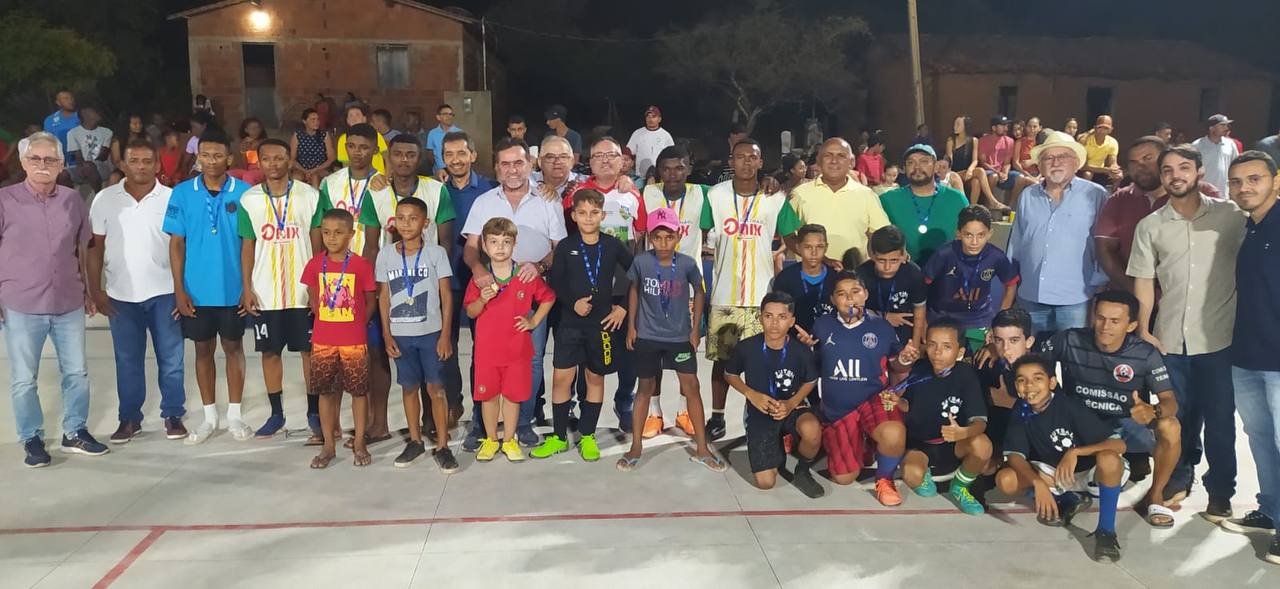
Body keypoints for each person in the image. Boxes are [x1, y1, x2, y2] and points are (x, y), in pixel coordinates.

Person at [1128, 144, 1246, 524]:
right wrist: (1144, 328)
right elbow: (1144, 281)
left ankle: (1221, 491)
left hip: (1220, 339)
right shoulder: (1151, 226)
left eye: (1183, 167)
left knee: (1220, 419)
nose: (1175, 175)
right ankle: (1178, 477)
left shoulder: (1232, 217)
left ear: (1199, 172)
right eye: (1167, 170)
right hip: (1169, 340)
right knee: (1174, 418)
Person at [1037, 290, 1181, 528]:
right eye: (1101, 318)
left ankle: (1155, 495)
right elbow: (1030, 362)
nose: (1105, 326)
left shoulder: (1145, 353)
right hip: (1080, 426)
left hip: (1126, 425)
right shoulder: (1069, 339)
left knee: (1171, 426)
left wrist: (1153, 411)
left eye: (1115, 321)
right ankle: (1073, 487)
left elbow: (1170, 401)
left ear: (1132, 325)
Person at [2, 132, 105, 467]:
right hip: (21, 303)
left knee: (76, 372)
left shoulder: (72, 200)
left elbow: (81, 247)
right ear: (23, 162)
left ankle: (74, 431)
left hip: (68, 301)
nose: (42, 165)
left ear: (61, 164)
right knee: (23, 379)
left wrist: (89, 290)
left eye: (50, 160)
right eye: (35, 159)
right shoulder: (5, 200)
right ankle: (31, 438)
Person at [460, 137, 567, 449]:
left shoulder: (547, 201)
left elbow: (559, 246)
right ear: (496, 168)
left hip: (529, 296)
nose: (512, 169)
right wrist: (478, 270)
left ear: (530, 165)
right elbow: (470, 248)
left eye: (518, 162)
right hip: (492, 298)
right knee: (484, 360)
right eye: (505, 163)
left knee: (530, 361)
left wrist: (542, 267)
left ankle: (524, 422)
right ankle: (481, 423)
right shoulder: (484, 202)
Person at [88, 138, 187, 443]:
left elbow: (182, 247)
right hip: (121, 295)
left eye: (147, 161)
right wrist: (96, 290)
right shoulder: (105, 199)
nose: (141, 167)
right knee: (128, 360)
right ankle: (129, 419)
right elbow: (94, 248)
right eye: (134, 161)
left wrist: (182, 292)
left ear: (158, 165)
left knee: (171, 360)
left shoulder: (172, 198)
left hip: (165, 293)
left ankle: (173, 415)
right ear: (123, 164)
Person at [704, 139, 802, 440]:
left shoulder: (775, 197)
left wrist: (819, 260)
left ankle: (764, 416)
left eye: (753, 157)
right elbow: (700, 236)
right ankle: (717, 417)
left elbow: (793, 238)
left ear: (761, 162)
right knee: (722, 362)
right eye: (740, 157)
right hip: (725, 296)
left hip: (763, 299)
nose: (746, 162)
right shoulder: (716, 195)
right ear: (731, 161)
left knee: (767, 362)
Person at [364, 133, 458, 439]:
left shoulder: (435, 190)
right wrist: (369, 293)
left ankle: (435, 422)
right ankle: (382, 423)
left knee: (436, 367)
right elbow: (370, 245)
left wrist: (444, 289)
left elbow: (445, 241)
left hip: (428, 293)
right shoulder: (375, 192)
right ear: (388, 157)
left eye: (411, 155)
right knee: (387, 356)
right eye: (398, 154)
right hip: (391, 288)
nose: (404, 160)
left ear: (420, 159)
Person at [163, 129, 253, 445]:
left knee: (233, 348)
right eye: (205, 155)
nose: (211, 161)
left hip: (232, 289)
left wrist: (247, 285)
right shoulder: (182, 193)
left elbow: (248, 244)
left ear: (229, 159)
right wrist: (179, 288)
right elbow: (176, 244)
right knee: (202, 350)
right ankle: (209, 416)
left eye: (218, 155)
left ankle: (235, 415)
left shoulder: (244, 192)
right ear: (197, 157)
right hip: (196, 290)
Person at [618, 207, 722, 471]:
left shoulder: (687, 263)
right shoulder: (641, 262)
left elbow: (699, 291)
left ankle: (701, 447)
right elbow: (633, 290)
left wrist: (696, 328)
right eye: (657, 237)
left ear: (678, 236)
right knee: (644, 388)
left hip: (678, 337)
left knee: (692, 388)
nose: (663, 243)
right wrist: (632, 326)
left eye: (669, 237)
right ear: (650, 238)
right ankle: (636, 447)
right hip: (648, 335)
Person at [533, 188, 633, 461]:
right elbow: (556, 283)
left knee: (594, 378)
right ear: (574, 216)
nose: (588, 218)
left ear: (602, 215)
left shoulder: (613, 245)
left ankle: (588, 435)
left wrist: (622, 307)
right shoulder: (566, 246)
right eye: (582, 213)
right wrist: (572, 303)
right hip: (569, 324)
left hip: (601, 325)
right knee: (562, 378)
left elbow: (636, 273)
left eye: (594, 213)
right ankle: (558, 436)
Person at [996, 355, 1127, 561]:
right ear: (1016, 385)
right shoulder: (1020, 411)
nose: (1029, 385)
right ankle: (1065, 499)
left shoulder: (1068, 406)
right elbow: (1014, 455)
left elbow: (1119, 444)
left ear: (1052, 382)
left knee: (1109, 459)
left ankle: (1106, 532)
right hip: (1056, 474)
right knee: (1006, 479)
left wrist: (1075, 452)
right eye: (1022, 380)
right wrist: (1037, 483)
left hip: (1089, 472)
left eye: (1037, 378)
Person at [237, 138, 323, 439]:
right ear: (258, 162)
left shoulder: (310, 196)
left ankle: (314, 413)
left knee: (309, 352)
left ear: (290, 161)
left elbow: (317, 244)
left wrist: (317, 285)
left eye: (279, 158)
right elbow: (248, 246)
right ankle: (276, 414)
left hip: (302, 291)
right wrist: (246, 287)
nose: (273, 164)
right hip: (265, 291)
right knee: (270, 351)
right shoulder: (249, 200)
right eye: (267, 159)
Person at [318, 124, 398, 448]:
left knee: (376, 353)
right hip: (336, 283)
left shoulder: (382, 184)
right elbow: (319, 227)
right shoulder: (330, 183)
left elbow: (389, 230)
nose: (357, 152)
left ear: (374, 151)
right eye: (351, 146)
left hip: (373, 279)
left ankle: (379, 423)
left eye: (364, 147)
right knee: (337, 356)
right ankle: (334, 428)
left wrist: (368, 283)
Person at [563, 137, 648, 432]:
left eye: (611, 155)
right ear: (590, 161)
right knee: (587, 354)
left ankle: (624, 400)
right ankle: (586, 411)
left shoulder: (632, 193)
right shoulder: (577, 192)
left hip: (623, 290)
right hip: (588, 290)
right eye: (598, 155)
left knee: (628, 352)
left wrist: (628, 297)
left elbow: (639, 238)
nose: (605, 160)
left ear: (622, 160)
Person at [812, 272, 919, 505]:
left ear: (866, 294)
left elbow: (896, 364)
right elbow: (813, 366)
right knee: (843, 477)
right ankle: (862, 442)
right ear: (832, 299)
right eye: (842, 294)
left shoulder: (882, 327)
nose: (850, 299)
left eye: (856, 292)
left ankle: (885, 479)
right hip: (838, 413)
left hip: (874, 400)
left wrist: (905, 359)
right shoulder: (821, 326)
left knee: (893, 433)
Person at [1223, 151, 1280, 563]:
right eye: (1237, 181)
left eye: (1254, 179)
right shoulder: (1250, 228)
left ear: (1275, 182)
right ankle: (1271, 511)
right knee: (1261, 439)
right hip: (1246, 355)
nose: (1245, 188)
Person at [376, 197, 459, 472]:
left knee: (436, 389)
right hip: (400, 334)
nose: (406, 223)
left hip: (430, 333)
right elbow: (384, 297)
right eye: (401, 217)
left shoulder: (436, 253)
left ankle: (443, 445)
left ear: (425, 223)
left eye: (413, 218)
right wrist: (387, 335)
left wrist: (445, 334)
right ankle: (414, 441)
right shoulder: (386, 255)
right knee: (409, 387)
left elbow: (446, 296)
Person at [465, 217, 555, 462]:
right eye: (493, 242)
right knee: (489, 397)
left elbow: (548, 298)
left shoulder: (525, 275)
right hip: (487, 352)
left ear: (515, 244)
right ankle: (491, 440)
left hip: (516, 350)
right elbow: (470, 312)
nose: (500, 247)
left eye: (506, 241)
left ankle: (509, 440)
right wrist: (482, 299)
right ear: (484, 245)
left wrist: (534, 322)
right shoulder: (481, 279)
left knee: (513, 396)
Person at [638, 146, 713, 436]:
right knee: (653, 354)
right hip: (652, 289)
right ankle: (654, 414)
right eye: (666, 168)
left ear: (688, 168)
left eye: (679, 167)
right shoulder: (647, 193)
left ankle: (684, 411)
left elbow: (736, 189)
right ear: (659, 171)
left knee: (687, 353)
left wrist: (769, 182)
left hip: (687, 290)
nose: (673, 174)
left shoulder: (703, 193)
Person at [725, 291, 825, 497]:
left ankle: (803, 470)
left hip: (793, 407)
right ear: (760, 317)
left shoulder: (801, 351)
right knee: (765, 483)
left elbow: (811, 380)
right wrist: (751, 394)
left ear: (791, 321)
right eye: (768, 316)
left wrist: (792, 403)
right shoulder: (747, 347)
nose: (774, 323)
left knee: (812, 430)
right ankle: (776, 445)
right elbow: (730, 374)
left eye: (782, 317)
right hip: (761, 411)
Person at [1008, 131, 1108, 334]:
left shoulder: (1096, 195)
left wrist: (1100, 285)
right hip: (1031, 296)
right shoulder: (1027, 196)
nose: (1056, 162)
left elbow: (1103, 244)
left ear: (1076, 162)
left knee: (1072, 357)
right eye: (1048, 158)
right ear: (1040, 165)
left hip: (1076, 298)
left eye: (1063, 157)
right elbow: (1016, 244)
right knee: (1035, 359)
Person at [299, 208, 376, 468]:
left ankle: (360, 443)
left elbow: (369, 300)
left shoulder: (360, 265)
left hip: (353, 339)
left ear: (351, 235)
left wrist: (358, 324)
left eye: (338, 233)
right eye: (327, 232)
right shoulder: (314, 263)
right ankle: (328, 446)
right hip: (323, 340)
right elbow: (312, 294)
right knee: (325, 392)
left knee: (358, 392)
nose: (331, 238)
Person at [1093, 136, 1220, 292]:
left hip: (1189, 296)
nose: (1141, 166)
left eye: (1148, 158)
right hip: (1131, 298)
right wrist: (1138, 292)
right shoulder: (1119, 199)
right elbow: (1105, 249)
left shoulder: (1204, 194)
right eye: (1133, 162)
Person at [899, 320, 991, 514]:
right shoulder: (919, 368)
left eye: (947, 346)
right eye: (932, 345)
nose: (937, 352)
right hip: (920, 445)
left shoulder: (966, 375)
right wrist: (895, 402)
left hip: (954, 444)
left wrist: (963, 432)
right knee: (913, 476)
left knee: (982, 445)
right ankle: (927, 473)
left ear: (960, 352)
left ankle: (960, 486)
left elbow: (980, 422)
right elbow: (907, 405)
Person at [439, 131, 497, 424]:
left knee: (482, 345)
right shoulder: (436, 190)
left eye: (461, 153)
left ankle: (480, 405)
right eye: (449, 154)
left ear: (473, 155)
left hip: (481, 276)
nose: (455, 160)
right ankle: (452, 402)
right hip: (445, 278)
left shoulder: (489, 189)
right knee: (446, 343)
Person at [923, 205, 1019, 353]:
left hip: (980, 317)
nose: (974, 242)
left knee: (984, 361)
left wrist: (1000, 317)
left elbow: (1011, 283)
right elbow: (922, 285)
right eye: (968, 235)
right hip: (943, 316)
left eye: (981, 235)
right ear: (958, 233)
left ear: (990, 233)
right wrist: (922, 320)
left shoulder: (996, 257)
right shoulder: (944, 255)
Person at [789, 138, 888, 267]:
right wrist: (817, 258)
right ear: (818, 161)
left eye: (841, 156)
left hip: (854, 277)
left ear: (851, 162)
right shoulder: (799, 194)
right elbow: (788, 234)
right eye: (828, 156)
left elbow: (881, 233)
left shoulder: (867, 195)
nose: (834, 161)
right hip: (812, 277)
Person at [879, 144, 969, 263]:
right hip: (903, 273)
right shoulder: (888, 200)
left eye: (924, 161)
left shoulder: (957, 199)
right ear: (904, 168)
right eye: (910, 162)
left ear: (936, 166)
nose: (917, 167)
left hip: (948, 274)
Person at [858, 226, 926, 346]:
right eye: (881, 260)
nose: (887, 267)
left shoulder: (913, 273)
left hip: (903, 331)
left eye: (894, 260)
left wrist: (914, 345)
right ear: (873, 255)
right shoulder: (861, 274)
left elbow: (919, 310)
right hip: (868, 330)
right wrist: (884, 317)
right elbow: (851, 309)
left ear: (903, 256)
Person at [772, 224, 838, 343]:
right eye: (808, 247)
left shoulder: (836, 278)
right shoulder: (785, 279)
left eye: (819, 247)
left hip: (831, 342)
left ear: (826, 248)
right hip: (794, 342)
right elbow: (778, 315)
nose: (814, 253)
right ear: (798, 247)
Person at [66, 107, 114, 192]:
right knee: (62, 174)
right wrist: (82, 168)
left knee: (89, 166)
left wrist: (88, 166)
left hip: (101, 166)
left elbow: (103, 156)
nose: (98, 113)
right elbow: (78, 155)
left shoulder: (107, 132)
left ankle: (98, 196)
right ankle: (71, 198)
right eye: (94, 112)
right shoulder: (72, 133)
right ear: (85, 116)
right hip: (82, 165)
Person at [1192, 114, 1241, 196]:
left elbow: (1236, 165)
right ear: (1211, 128)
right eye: (1222, 125)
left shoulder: (1230, 144)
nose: (1226, 128)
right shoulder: (1197, 145)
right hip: (1203, 193)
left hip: (1224, 193)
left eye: (1227, 125)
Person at [946, 116, 989, 206]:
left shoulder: (974, 140)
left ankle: (971, 207)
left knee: (976, 182)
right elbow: (949, 161)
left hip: (968, 173)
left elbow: (975, 160)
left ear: (965, 126)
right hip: (955, 173)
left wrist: (970, 170)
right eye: (954, 124)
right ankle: (992, 201)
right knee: (980, 171)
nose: (955, 127)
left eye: (958, 124)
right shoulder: (951, 141)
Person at [976, 116, 1017, 210]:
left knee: (1020, 178)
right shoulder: (983, 141)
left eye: (1006, 126)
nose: (1006, 128)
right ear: (994, 128)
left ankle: (1011, 207)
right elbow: (983, 162)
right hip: (988, 171)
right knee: (993, 176)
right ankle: (988, 204)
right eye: (1002, 126)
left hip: (1002, 172)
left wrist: (1005, 173)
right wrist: (998, 172)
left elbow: (1007, 162)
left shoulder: (1010, 141)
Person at [626, 105, 675, 183]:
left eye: (653, 116)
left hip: (660, 177)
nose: (650, 119)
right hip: (640, 177)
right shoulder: (638, 133)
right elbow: (629, 153)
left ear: (659, 119)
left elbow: (672, 157)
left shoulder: (666, 135)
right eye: (648, 116)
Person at [335, 105, 389, 174]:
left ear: (364, 118)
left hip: (378, 178)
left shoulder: (375, 134)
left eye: (357, 115)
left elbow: (387, 159)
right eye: (350, 115)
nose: (354, 118)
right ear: (347, 120)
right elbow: (346, 165)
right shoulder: (343, 139)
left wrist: (387, 177)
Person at [108, 114, 150, 185]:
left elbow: (150, 156)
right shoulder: (118, 141)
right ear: (127, 125)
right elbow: (116, 160)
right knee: (114, 178)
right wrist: (128, 170)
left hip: (142, 166)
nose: (138, 126)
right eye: (135, 124)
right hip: (124, 168)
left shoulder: (146, 138)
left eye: (140, 123)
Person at [1080, 115, 1121, 185]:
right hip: (1086, 170)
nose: (1102, 131)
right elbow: (1083, 167)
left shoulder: (1112, 142)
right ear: (1095, 128)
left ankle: (1114, 195)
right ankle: (1083, 194)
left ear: (1111, 130)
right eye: (1100, 127)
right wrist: (1104, 170)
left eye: (1106, 128)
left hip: (1101, 171)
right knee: (1087, 174)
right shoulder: (1085, 141)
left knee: (1118, 176)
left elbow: (1113, 162)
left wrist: (1114, 168)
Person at [43, 90, 80, 163]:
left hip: (83, 162)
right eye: (66, 98)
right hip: (61, 164)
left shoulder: (82, 116)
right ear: (58, 102)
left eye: (72, 98)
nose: (70, 101)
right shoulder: (50, 120)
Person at [425, 104, 461, 177]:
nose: (449, 117)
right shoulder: (432, 133)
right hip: (438, 172)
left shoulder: (460, 133)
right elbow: (429, 153)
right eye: (445, 114)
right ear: (438, 117)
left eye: (451, 114)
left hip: (456, 171)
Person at [181, 112, 215, 179]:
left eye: (195, 127)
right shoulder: (193, 140)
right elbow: (185, 163)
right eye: (192, 127)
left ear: (204, 126)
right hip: (197, 172)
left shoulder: (214, 140)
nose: (193, 130)